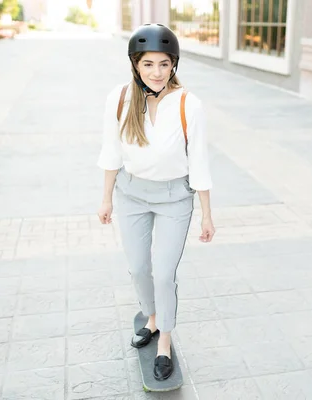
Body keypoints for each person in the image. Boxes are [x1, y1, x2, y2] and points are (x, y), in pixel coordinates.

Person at [96, 23, 215, 381]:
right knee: (137, 269)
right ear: (136, 64)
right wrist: (106, 199)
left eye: (164, 64)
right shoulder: (119, 99)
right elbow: (111, 152)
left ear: (174, 65)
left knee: (164, 273)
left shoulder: (188, 104)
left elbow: (200, 162)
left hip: (174, 198)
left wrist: (207, 216)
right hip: (131, 194)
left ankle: (164, 338)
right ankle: (149, 317)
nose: (157, 72)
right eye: (149, 64)